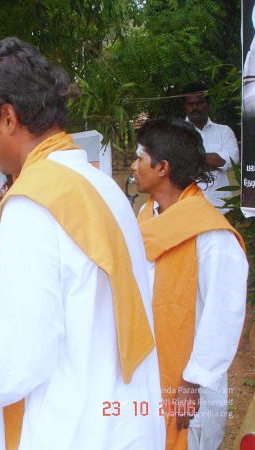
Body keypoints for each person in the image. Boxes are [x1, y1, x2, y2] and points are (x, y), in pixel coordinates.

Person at [0, 37, 164, 450]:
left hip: (67, 427)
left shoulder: (34, 203)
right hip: (124, 422)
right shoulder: (103, 186)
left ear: (8, 118)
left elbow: (13, 364)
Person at [131, 117, 247, 450]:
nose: (135, 166)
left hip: (187, 389)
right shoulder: (145, 217)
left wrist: (192, 382)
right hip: (147, 377)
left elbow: (222, 317)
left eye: (140, 158)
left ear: (163, 167)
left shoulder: (211, 235)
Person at [182, 83, 239, 212]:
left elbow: (233, 161)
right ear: (184, 106)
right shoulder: (175, 132)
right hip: (188, 208)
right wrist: (214, 160)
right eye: (190, 104)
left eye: (199, 102)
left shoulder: (224, 131)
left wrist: (193, 159)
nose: (194, 107)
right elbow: (177, 164)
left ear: (207, 104)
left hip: (222, 208)